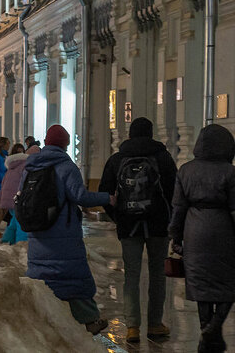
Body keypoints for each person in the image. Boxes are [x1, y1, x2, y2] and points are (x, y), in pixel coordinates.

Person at [23, 124, 113, 335]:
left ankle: (44, 319)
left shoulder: (31, 166)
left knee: (43, 276)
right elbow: (80, 196)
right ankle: (90, 320)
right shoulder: (66, 166)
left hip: (38, 231)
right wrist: (107, 198)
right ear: (65, 144)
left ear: (45, 142)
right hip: (63, 231)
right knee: (74, 277)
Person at [97, 116, 176, 343]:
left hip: (128, 225)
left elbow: (105, 192)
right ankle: (155, 324)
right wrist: (169, 217)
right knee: (157, 275)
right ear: (151, 134)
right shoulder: (162, 158)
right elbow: (173, 190)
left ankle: (132, 327)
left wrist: (118, 216)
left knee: (131, 274)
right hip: (159, 225)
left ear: (130, 134)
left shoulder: (117, 159)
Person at [169, 124, 235, 353]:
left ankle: (207, 331)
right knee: (229, 284)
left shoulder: (185, 170)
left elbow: (177, 208)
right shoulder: (230, 172)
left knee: (201, 285)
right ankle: (213, 328)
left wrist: (175, 236)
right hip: (223, 231)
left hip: (193, 230)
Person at [0, 142, 34, 244]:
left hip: (9, 198)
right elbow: (24, 184)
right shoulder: (25, 166)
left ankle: (7, 240)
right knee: (21, 223)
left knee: (14, 221)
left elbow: (4, 182)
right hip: (17, 198)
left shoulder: (11, 166)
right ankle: (21, 243)